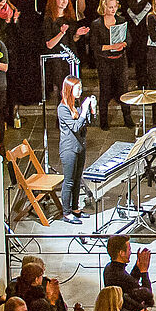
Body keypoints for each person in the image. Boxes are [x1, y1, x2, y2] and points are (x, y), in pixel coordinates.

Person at [57, 76, 93, 224]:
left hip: (79, 146)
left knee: (78, 180)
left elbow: (86, 124)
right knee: (69, 181)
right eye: (78, 88)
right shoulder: (62, 108)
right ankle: (66, 212)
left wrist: (91, 110)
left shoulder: (76, 105)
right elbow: (76, 127)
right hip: (69, 149)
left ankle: (75, 208)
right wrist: (84, 111)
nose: (81, 90)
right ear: (69, 89)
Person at [103, 235, 154, 311]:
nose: (130, 252)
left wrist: (137, 266)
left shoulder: (109, 268)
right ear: (121, 253)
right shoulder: (122, 276)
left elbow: (130, 284)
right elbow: (149, 298)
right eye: (129, 249)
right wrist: (144, 272)